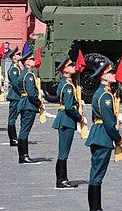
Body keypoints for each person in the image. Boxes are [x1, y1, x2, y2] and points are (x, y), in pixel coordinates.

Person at [86, 60, 122, 211]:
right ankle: (95, 208)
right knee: (97, 175)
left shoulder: (103, 93)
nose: (114, 75)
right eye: (111, 73)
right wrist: (118, 137)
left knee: (96, 173)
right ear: (104, 76)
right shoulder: (105, 96)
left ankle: (96, 208)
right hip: (103, 136)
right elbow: (108, 122)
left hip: (99, 134)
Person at [52, 56, 83, 189]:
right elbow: (69, 107)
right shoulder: (68, 86)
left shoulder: (65, 83)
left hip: (64, 118)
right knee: (63, 152)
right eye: (70, 65)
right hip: (67, 119)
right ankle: (61, 180)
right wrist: (79, 118)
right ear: (65, 69)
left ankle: (62, 178)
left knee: (63, 151)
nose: (73, 67)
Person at [17, 48, 43, 163]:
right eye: (31, 59)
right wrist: (39, 103)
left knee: (23, 129)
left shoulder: (23, 74)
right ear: (26, 62)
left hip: (23, 102)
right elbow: (32, 93)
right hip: (29, 104)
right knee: (25, 130)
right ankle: (24, 155)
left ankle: (23, 155)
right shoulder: (29, 75)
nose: (34, 61)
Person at [6, 47, 22, 146]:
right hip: (15, 96)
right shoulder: (14, 69)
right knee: (12, 118)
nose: (20, 56)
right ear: (13, 57)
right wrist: (23, 92)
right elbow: (16, 84)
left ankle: (16, 137)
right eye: (18, 54)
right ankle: (13, 139)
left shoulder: (18, 67)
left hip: (18, 95)